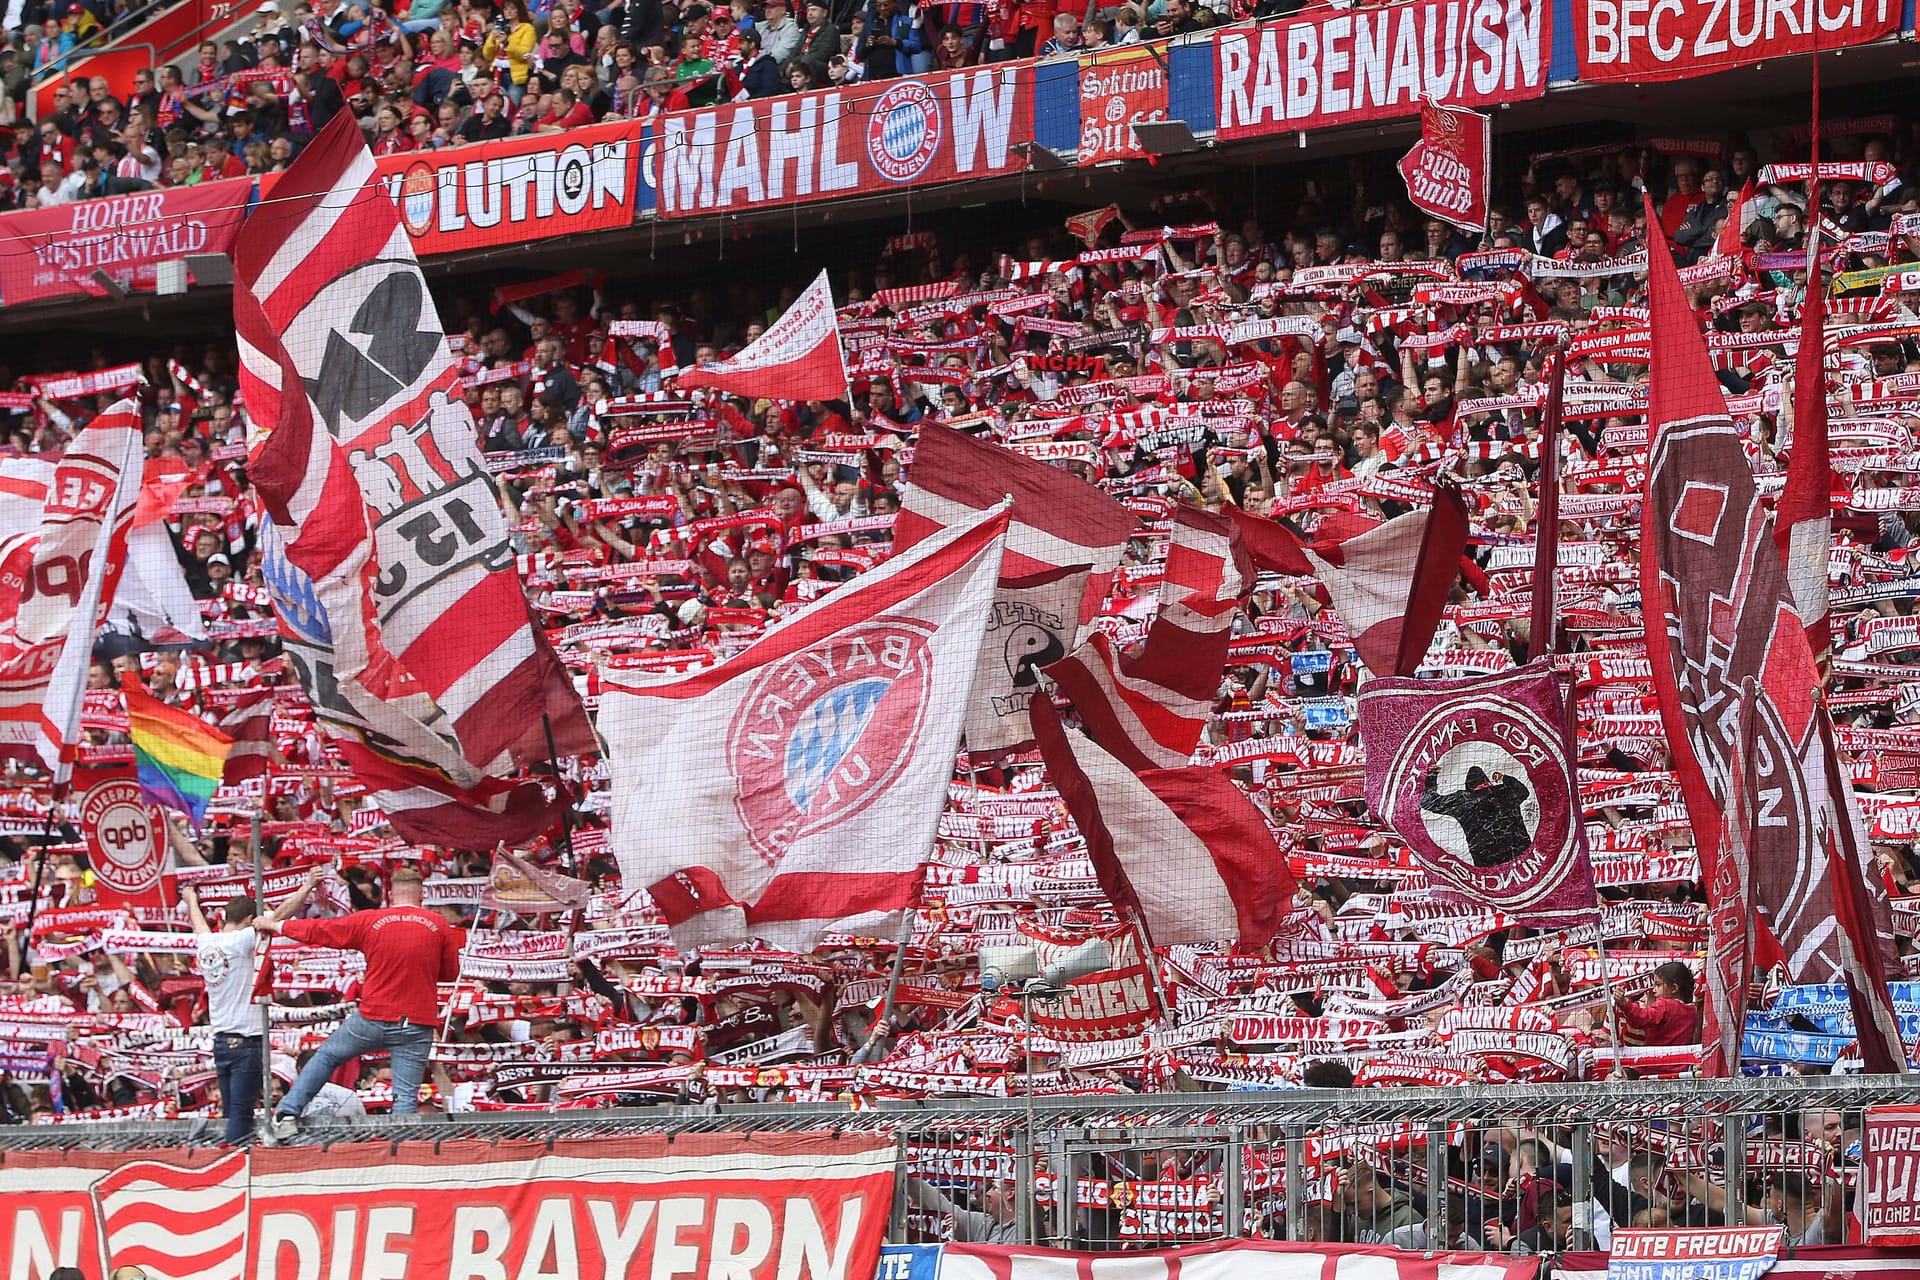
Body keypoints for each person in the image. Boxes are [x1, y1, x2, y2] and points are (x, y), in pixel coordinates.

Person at [257, 865, 461, 1142]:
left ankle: (286, 1116)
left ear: (389, 894)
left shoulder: (370, 920)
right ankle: (400, 1154)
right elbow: (450, 973)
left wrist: (276, 925)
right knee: (404, 1096)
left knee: (327, 1056)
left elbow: (320, 930)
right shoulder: (438, 925)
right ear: (421, 894)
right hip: (415, 1022)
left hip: (373, 1017)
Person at [182, 863, 322, 1144]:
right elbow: (280, 915)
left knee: (231, 1110)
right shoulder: (241, 941)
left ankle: (229, 1162)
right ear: (249, 919)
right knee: (241, 1113)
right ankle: (239, 1163)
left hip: (221, 1039)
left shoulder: (207, 943)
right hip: (245, 1040)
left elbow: (198, 924)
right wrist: (306, 887)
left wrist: (191, 901)